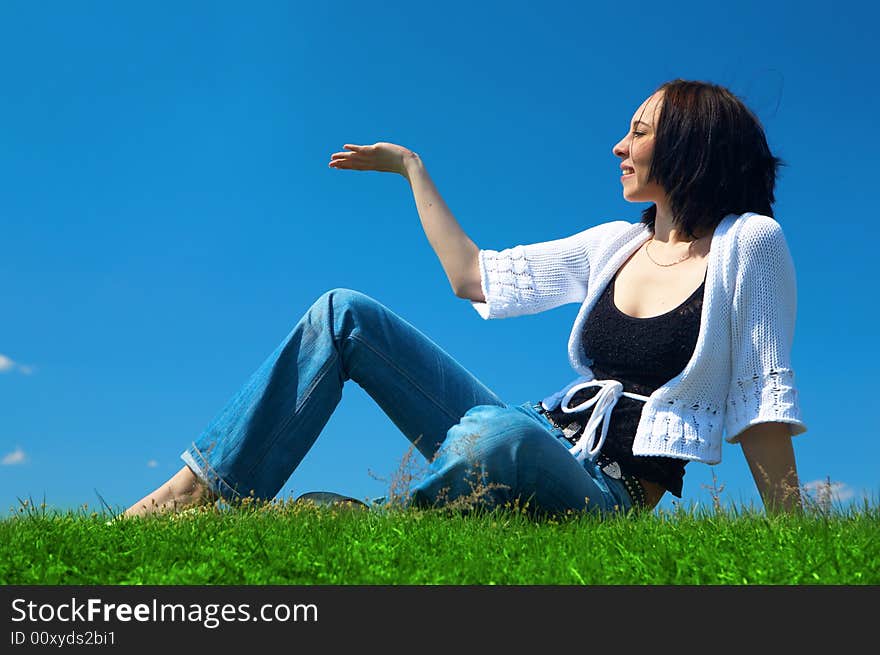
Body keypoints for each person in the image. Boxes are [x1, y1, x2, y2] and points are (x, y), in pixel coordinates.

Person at [122, 78, 807, 519]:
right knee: (343, 313)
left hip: (603, 494)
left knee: (497, 433)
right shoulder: (615, 244)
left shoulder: (751, 245)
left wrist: (791, 539)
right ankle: (195, 490)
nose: (617, 145)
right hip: (534, 434)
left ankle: (369, 522)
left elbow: (759, 405)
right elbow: (474, 276)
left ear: (692, 143)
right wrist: (411, 168)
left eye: (639, 130)